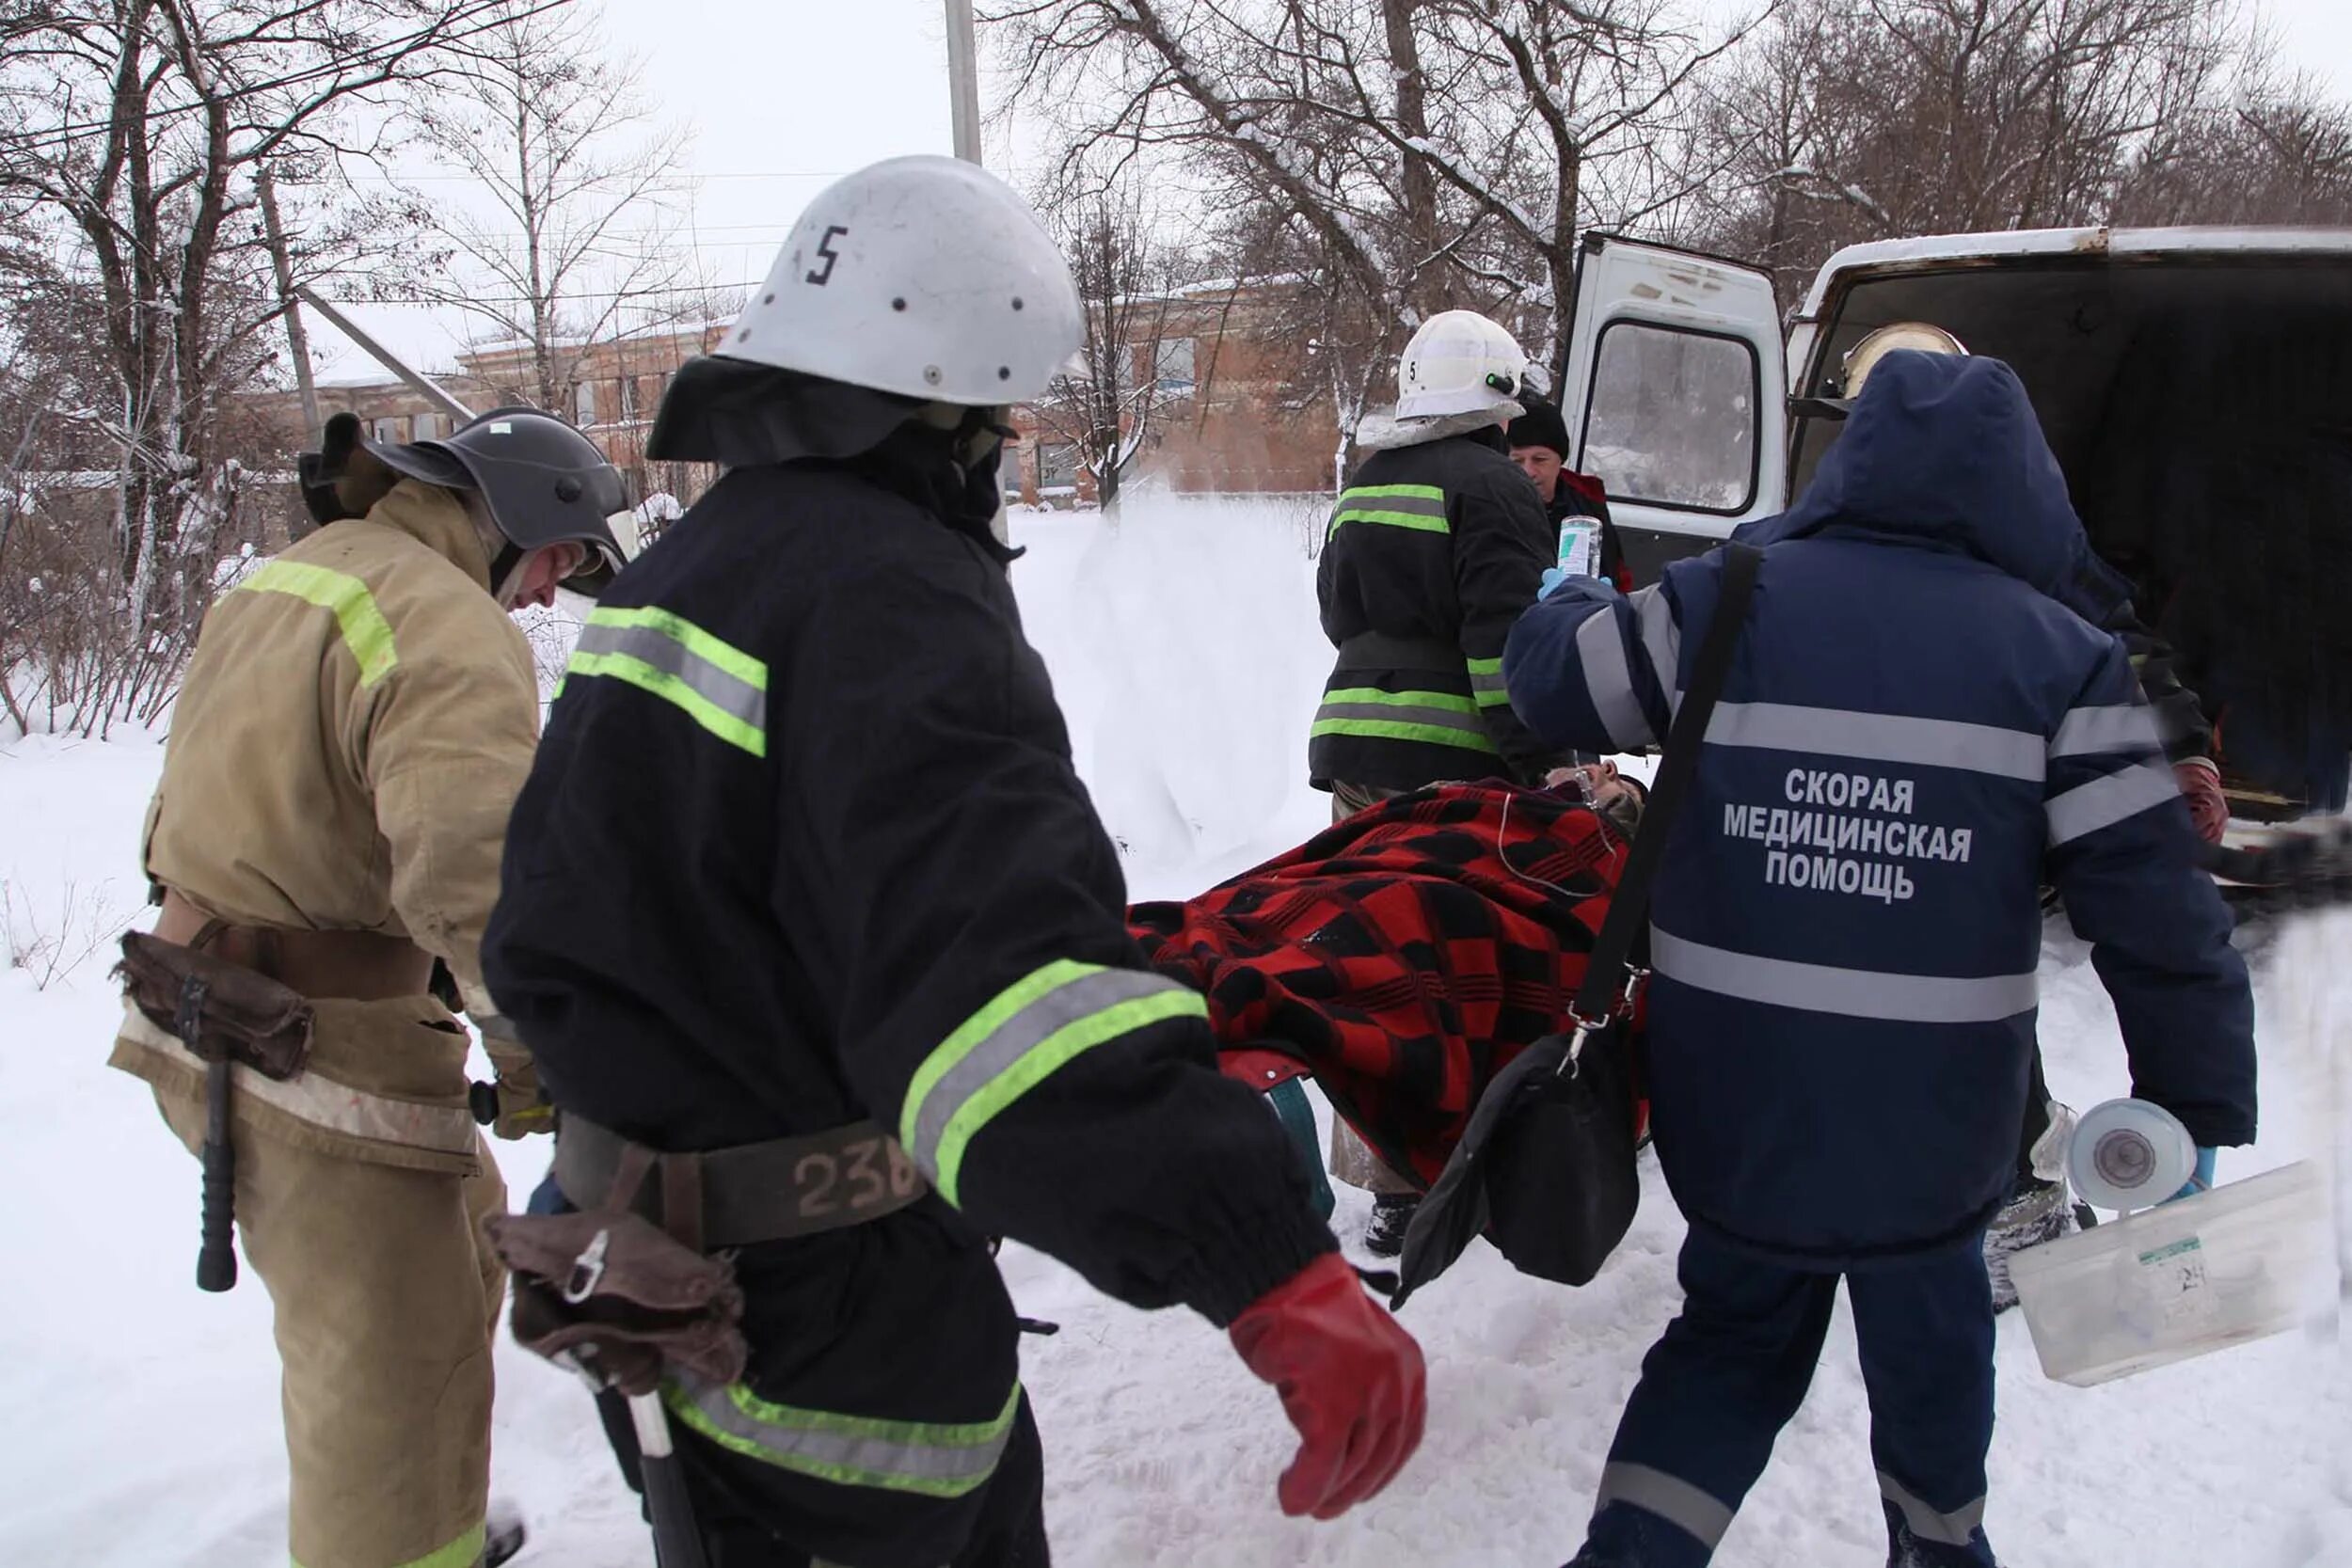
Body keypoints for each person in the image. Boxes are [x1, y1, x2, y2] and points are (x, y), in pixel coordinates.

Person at [482, 155, 1424, 1568]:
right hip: (823, 1313)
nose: (1003, 441)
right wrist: (1260, 1253)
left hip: (645, 1266)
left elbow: (579, 923)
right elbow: (999, 999)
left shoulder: (684, 574)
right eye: (999, 413)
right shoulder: (888, 592)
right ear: (940, 405)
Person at [1502, 350, 2257, 1568]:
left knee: (1731, 1340)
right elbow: (2158, 909)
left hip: (1739, 1098)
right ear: (2026, 492)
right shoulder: (2065, 657)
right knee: (1937, 1332)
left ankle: (1633, 1550)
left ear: (1847, 465)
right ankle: (1940, 1544)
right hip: (1940, 1121)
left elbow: (1553, 684)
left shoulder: (1729, 598)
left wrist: (1567, 595)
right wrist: (2193, 1098)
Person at [108, 407, 629, 1568]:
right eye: (556, 557)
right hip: (311, 1044)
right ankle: (398, 1540)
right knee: (398, 1369)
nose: (548, 594)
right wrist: (540, 1058)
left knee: (466, 1244)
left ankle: (418, 1521)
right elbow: (474, 872)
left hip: (201, 997)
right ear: (513, 519)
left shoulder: (297, 574)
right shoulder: (443, 622)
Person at [1311, 309, 1573, 1254]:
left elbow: (1339, 617)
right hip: (1448, 762)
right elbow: (1506, 644)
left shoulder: (1365, 482)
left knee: (1371, 968)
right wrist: (1545, 759)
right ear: (1499, 403)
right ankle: (1446, 1173)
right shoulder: (1496, 487)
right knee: (1452, 972)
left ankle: (1387, 1185)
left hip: (1355, 752)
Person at [1507, 395, 1630, 593]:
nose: (1528, 471)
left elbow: (1616, 573)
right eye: (1517, 461)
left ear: (1560, 460)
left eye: (1540, 460)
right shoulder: (1494, 506)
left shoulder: (1586, 502)